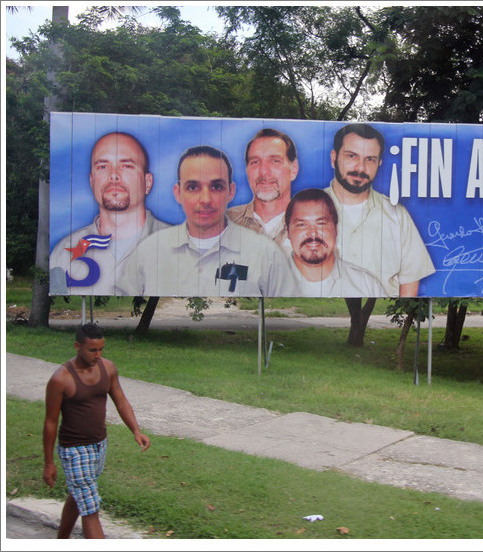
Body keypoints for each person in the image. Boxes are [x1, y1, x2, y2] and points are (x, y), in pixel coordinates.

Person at [116, 145, 298, 297]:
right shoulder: (149, 251)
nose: (205, 199)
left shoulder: (266, 253)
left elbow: (288, 309)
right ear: (178, 193)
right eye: (193, 187)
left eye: (216, 186)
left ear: (231, 192)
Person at [43, 323, 150, 539]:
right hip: (74, 450)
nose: (98, 355)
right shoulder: (60, 379)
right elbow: (50, 423)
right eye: (92, 350)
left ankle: (61, 540)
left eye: (101, 349)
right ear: (77, 346)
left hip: (100, 445)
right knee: (91, 511)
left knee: (78, 495)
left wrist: (136, 430)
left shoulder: (108, 368)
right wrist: (49, 463)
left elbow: (120, 400)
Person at [49, 132, 170, 295]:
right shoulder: (64, 251)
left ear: (147, 182)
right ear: (92, 181)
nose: (114, 176)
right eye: (102, 167)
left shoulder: (179, 247)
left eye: (126, 166)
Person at [325, 123, 435, 297]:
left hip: (381, 314)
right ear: (334, 158)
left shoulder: (397, 215)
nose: (360, 168)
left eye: (370, 159)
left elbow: (410, 280)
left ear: (379, 163)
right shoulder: (304, 209)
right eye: (351, 156)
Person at [285, 188, 386, 297]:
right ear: (288, 232)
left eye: (321, 224)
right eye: (301, 225)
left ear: (336, 229)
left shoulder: (367, 286)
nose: (312, 233)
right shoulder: (269, 284)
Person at [227, 128, 299, 251]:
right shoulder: (224, 223)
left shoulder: (315, 227)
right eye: (255, 162)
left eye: (275, 161)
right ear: (247, 170)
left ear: (294, 169)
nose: (264, 171)